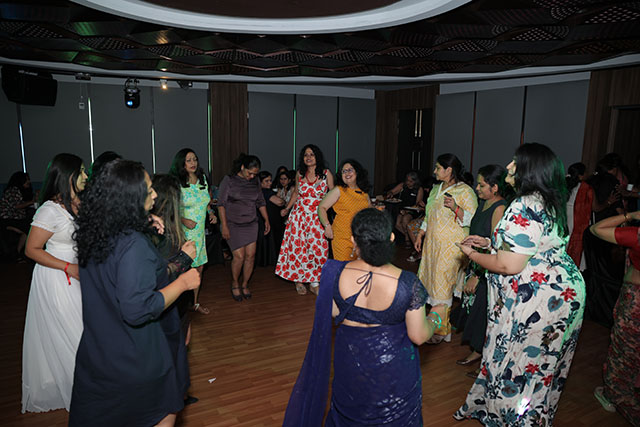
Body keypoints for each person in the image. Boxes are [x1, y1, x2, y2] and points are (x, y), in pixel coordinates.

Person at [454, 143, 586, 426]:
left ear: (530, 169)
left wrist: (473, 255)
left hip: (538, 301)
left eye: (515, 162)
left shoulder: (525, 205)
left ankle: (515, 418)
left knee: (520, 365)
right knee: (540, 365)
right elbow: (531, 247)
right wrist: (490, 243)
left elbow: (509, 265)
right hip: (559, 293)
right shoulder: (546, 200)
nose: (509, 167)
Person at [283, 208, 447, 426]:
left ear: (353, 240)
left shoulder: (334, 272)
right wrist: (436, 316)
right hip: (392, 376)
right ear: (391, 237)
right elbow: (418, 336)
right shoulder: (408, 283)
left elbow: (332, 312)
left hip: (351, 365)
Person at [70, 160, 200, 427]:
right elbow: (138, 308)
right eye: (149, 189)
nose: (155, 194)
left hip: (101, 350)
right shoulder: (133, 245)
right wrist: (183, 283)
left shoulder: (95, 232)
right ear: (130, 198)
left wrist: (145, 220)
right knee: (164, 413)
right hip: (136, 356)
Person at [21, 153, 87, 412]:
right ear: (68, 176)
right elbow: (31, 249)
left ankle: (78, 383)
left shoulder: (75, 204)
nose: (86, 176)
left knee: (77, 330)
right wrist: (68, 267)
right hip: (56, 277)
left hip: (76, 275)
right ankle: (81, 387)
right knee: (73, 332)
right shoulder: (49, 209)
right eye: (81, 171)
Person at [414, 153, 477, 343]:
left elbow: (473, 219)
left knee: (443, 284)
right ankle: (436, 325)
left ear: (449, 170)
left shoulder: (465, 191)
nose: (434, 171)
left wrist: (456, 208)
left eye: (438, 168)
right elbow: (429, 215)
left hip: (452, 246)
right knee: (431, 282)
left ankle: (441, 331)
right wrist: (420, 234)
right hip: (432, 245)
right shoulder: (436, 189)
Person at [452, 165, 508, 370]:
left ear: (495, 187)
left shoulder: (499, 209)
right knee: (474, 311)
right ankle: (478, 351)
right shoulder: (484, 203)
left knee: (483, 313)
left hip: (487, 270)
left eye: (482, 185)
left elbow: (497, 248)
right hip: (476, 263)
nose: (477, 188)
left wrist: (478, 275)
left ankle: (485, 358)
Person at [590, 211, 640, 425]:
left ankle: (615, 395)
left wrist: (630, 215)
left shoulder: (637, 235)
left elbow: (596, 229)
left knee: (625, 350)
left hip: (636, 301)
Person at [276, 144, 334, 296]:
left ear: (317, 157)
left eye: (312, 154)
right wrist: (287, 208)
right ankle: (299, 280)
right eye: (306, 155)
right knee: (299, 249)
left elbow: (333, 194)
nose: (308, 157)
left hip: (318, 217)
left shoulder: (326, 174)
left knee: (318, 250)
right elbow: (296, 192)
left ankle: (314, 282)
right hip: (299, 217)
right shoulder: (300, 174)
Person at [170, 148, 216, 314]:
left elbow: (206, 201)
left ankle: (194, 303)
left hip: (199, 233)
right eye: (188, 160)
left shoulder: (202, 178)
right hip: (183, 233)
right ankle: (178, 307)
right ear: (181, 163)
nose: (193, 163)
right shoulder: (176, 182)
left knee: (199, 269)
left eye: (195, 159)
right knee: (184, 271)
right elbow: (171, 208)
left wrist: (210, 212)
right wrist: (183, 220)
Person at [218, 154, 269, 301]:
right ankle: (235, 283)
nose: (252, 176)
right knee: (239, 256)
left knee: (250, 256)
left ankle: (245, 284)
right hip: (232, 224)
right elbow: (221, 204)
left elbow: (260, 202)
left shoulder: (255, 182)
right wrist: (224, 226)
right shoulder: (229, 180)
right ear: (242, 167)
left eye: (255, 174)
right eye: (249, 173)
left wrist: (266, 219)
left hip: (251, 223)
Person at [318, 159, 371, 261]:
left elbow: (369, 214)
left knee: (357, 268)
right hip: (342, 237)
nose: (347, 173)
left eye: (350, 170)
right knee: (343, 267)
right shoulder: (339, 190)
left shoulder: (364, 194)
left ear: (357, 172)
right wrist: (327, 225)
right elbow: (321, 207)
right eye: (344, 171)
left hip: (360, 239)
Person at [1, 171, 36, 258]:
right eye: (27, 180)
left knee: (30, 225)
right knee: (29, 228)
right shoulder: (13, 190)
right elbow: (16, 206)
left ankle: (18, 251)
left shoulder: (20, 191)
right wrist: (32, 202)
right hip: (8, 219)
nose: (29, 181)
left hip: (15, 218)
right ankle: (19, 252)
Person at [385, 171, 424, 246]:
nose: (408, 183)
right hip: (402, 209)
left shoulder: (419, 189)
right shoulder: (402, 186)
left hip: (412, 210)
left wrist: (408, 210)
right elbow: (392, 191)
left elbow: (418, 204)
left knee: (405, 219)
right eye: (407, 180)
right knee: (397, 223)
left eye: (411, 181)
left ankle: (407, 240)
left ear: (415, 181)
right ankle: (409, 236)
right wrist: (390, 194)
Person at [256, 171, 284, 265]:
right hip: (268, 221)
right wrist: (284, 200)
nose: (270, 183)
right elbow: (279, 202)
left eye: (270, 180)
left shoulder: (257, 192)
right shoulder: (266, 192)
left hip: (260, 221)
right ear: (260, 182)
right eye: (266, 181)